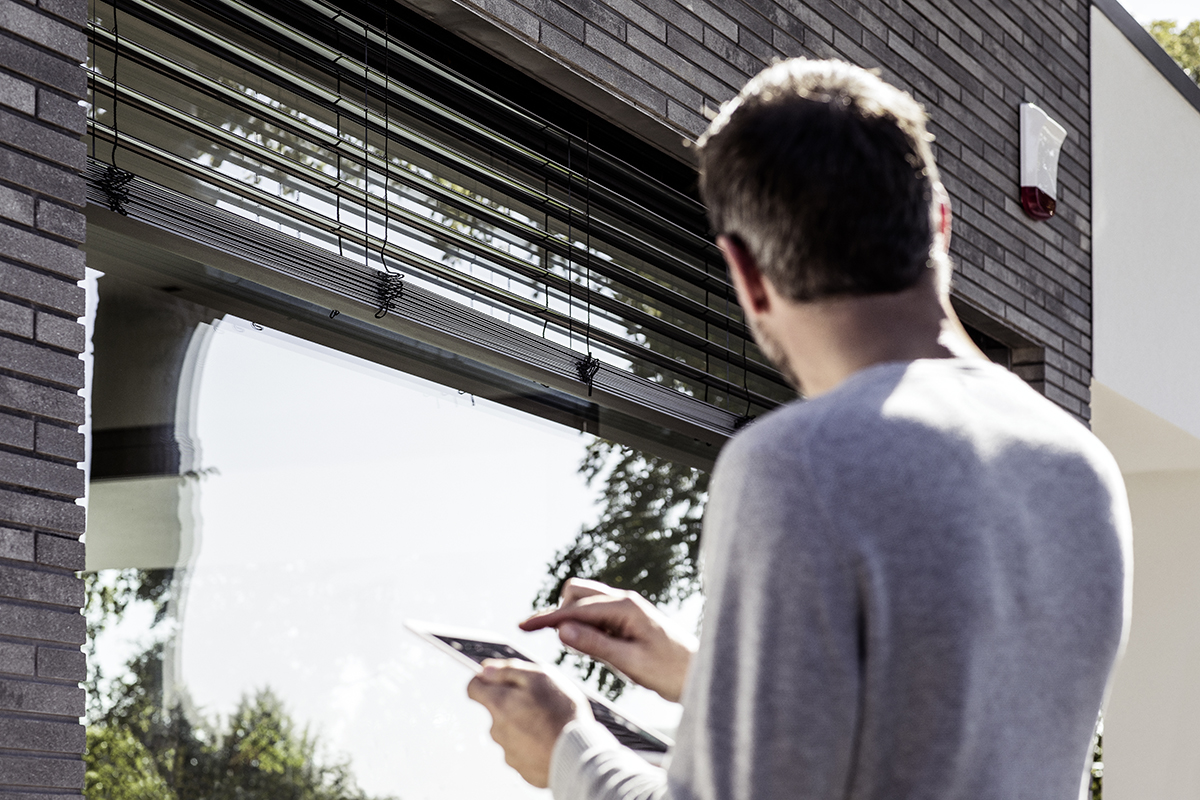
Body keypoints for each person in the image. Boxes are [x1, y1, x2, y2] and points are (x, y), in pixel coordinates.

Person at [467, 58, 1132, 800]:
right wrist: (703, 671)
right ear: (940, 219)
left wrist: (564, 748)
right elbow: (939, 736)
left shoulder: (803, 463)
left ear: (745, 273)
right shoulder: (1080, 466)